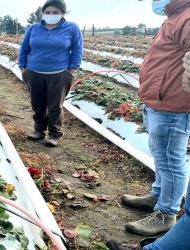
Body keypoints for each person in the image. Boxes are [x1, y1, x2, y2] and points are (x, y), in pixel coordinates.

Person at [121, 0, 190, 237]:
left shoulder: (187, 16)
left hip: (173, 105)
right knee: (161, 157)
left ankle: (166, 213)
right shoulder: (174, 16)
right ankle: (157, 195)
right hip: (158, 101)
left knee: (171, 161)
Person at [18, 0, 83, 147]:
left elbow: (77, 50)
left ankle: (54, 134)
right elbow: (24, 49)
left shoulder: (72, 28)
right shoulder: (34, 28)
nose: (51, 15)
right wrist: (23, 68)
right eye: (48, 12)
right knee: (37, 104)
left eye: (55, 12)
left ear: (62, 13)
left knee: (55, 106)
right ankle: (39, 130)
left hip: (59, 73)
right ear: (43, 13)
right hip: (34, 72)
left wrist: (72, 70)